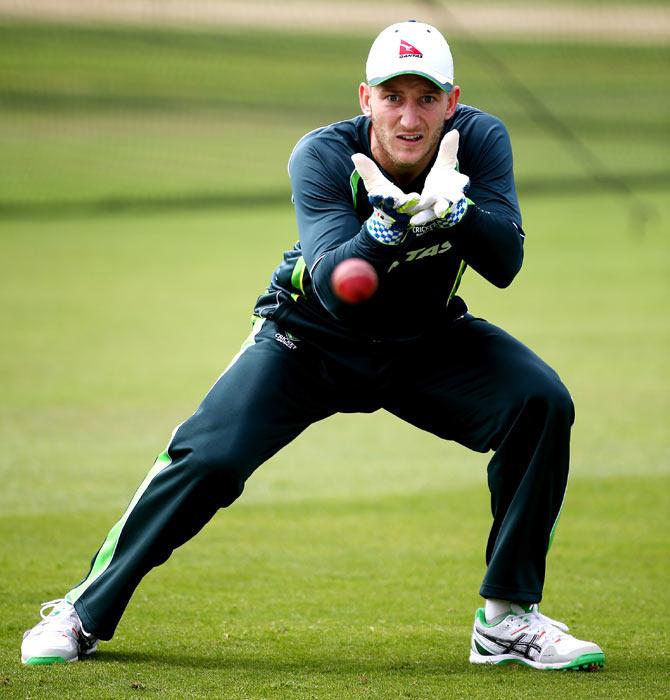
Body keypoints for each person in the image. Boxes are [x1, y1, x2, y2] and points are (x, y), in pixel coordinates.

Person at [21, 20, 604, 671]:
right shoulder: (324, 155)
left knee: (540, 401)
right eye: (393, 97)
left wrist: (457, 213)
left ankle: (506, 620)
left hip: (425, 341)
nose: (409, 117)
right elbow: (333, 284)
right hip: (307, 339)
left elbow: (506, 263)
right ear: (365, 99)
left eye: (426, 98)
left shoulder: (480, 142)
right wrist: (384, 228)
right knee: (206, 460)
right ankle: (82, 610)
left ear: (453, 101)